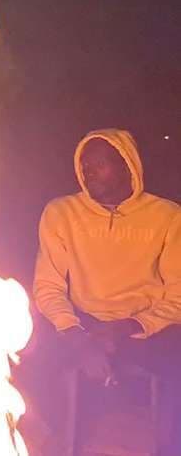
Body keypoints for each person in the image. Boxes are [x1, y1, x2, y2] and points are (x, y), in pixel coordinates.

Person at [30, 128, 181, 450]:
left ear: (128, 166)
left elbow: (178, 295)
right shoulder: (61, 213)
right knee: (23, 352)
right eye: (85, 164)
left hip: (142, 326)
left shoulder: (168, 217)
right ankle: (49, 442)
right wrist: (77, 337)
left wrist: (125, 328)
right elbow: (48, 287)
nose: (89, 171)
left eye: (100, 164)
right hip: (81, 322)